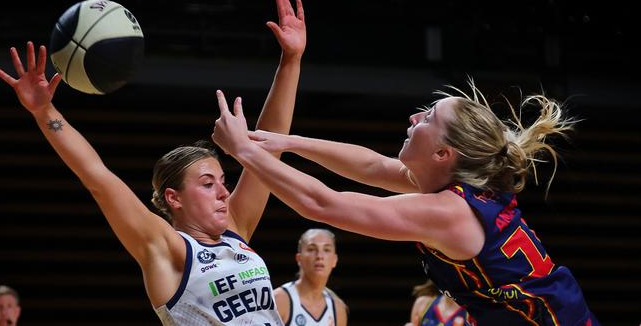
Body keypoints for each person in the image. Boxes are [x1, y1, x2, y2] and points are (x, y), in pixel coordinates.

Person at [0, 0, 305, 325]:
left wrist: (291, 61)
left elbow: (269, 152)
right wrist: (43, 111)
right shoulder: (166, 247)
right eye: (206, 183)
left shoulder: (234, 230)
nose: (223, 192)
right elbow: (98, 177)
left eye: (222, 181)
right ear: (174, 198)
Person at [211, 81, 600, 325]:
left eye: (428, 118)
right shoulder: (460, 185)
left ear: (443, 154)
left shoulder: (448, 213)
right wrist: (284, 142)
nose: (414, 117)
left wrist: (244, 151)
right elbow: (373, 165)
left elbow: (323, 204)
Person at [274, 228, 348, 326]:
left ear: (334, 260)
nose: (319, 256)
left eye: (326, 250)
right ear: (299, 258)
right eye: (311, 249)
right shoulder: (279, 299)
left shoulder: (338, 309)